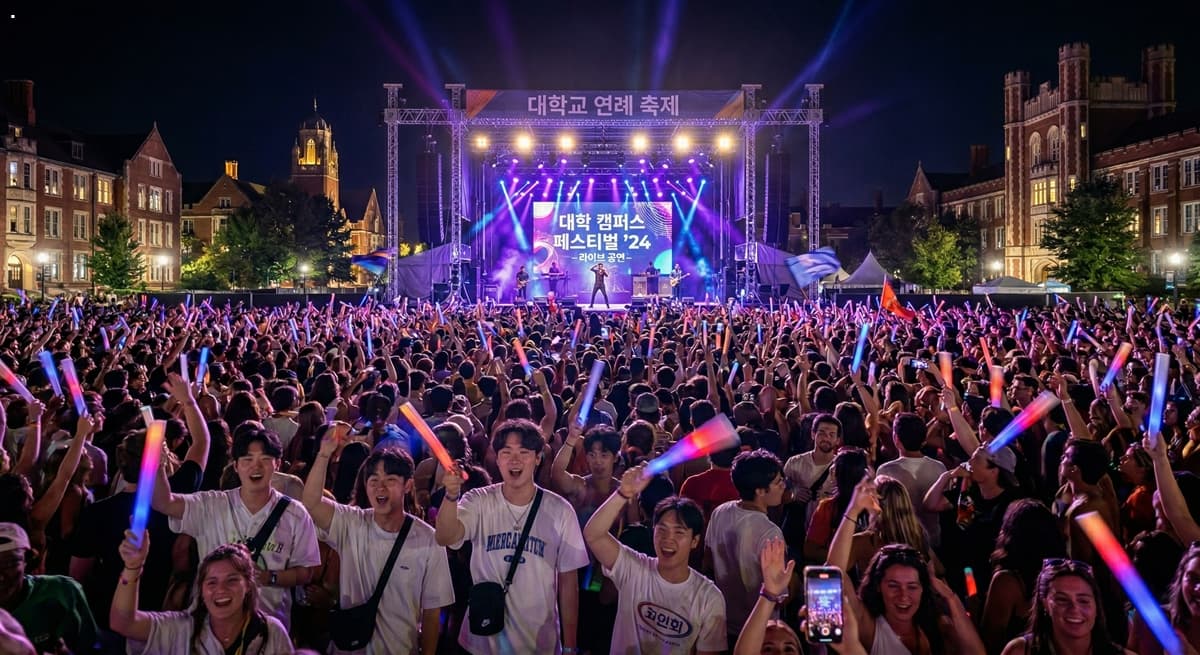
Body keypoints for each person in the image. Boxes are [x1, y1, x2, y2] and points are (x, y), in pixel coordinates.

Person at [435, 418, 589, 654]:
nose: (514, 460)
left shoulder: (559, 510)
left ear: (538, 458)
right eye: (506, 452)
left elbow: (569, 584)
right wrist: (451, 496)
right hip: (481, 641)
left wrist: (569, 647)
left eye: (524, 452)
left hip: (538, 643)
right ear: (497, 459)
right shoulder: (478, 500)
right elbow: (445, 537)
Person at [301, 422, 455, 655]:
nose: (380, 488)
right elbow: (311, 503)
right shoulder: (351, 523)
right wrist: (324, 454)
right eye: (373, 480)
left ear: (408, 486)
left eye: (390, 480)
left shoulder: (428, 539)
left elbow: (432, 613)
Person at [152, 427, 321, 629]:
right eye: (247, 459)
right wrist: (157, 464)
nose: (255, 467)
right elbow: (163, 502)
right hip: (210, 628)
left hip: (267, 626)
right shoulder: (212, 505)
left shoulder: (295, 513)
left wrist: (269, 577)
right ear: (236, 465)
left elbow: (306, 571)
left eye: (265, 459)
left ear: (277, 464)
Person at [829, 478, 986, 655]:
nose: (903, 595)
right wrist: (853, 510)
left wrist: (951, 599)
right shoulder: (870, 627)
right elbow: (833, 573)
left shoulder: (939, 628)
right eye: (893, 585)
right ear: (878, 586)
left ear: (923, 588)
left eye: (912, 586)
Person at [582, 463, 726, 654]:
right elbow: (594, 535)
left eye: (679, 532)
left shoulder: (708, 597)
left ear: (695, 541)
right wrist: (623, 494)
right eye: (662, 529)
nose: (668, 539)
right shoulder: (634, 568)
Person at [111, 533, 293, 654]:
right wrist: (132, 567)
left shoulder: (271, 632)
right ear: (201, 591)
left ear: (248, 586)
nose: (221, 589)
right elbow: (124, 623)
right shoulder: (182, 629)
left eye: (231, 580)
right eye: (211, 582)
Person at [705, 449, 786, 648]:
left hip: (721, 622)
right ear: (759, 491)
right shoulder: (770, 533)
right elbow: (780, 593)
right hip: (758, 629)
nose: (783, 486)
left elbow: (706, 562)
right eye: (778, 482)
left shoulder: (720, 512)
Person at [0, 522, 99, 655]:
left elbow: (91, 647)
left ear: (27, 560)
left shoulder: (61, 591)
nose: (1, 577)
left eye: (10, 563)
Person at [1000, 559, 1128, 655]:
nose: (1074, 608)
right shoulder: (1020, 651)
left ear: (1096, 607)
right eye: (1062, 600)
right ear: (1045, 604)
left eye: (1083, 601)